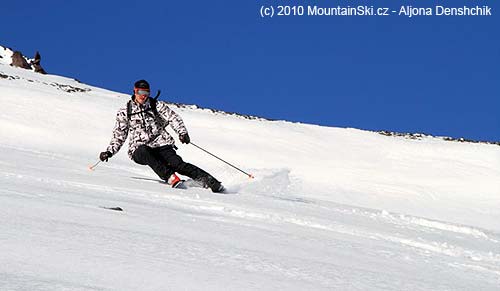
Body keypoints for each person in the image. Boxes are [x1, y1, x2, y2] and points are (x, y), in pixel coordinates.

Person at [99, 79, 224, 193]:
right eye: (141, 92)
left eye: (147, 92)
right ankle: (170, 177)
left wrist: (182, 132)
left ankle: (211, 182)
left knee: (177, 164)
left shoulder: (155, 105)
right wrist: (109, 152)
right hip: (138, 148)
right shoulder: (125, 112)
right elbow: (119, 134)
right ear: (135, 91)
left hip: (161, 143)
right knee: (145, 151)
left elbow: (173, 117)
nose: (144, 95)